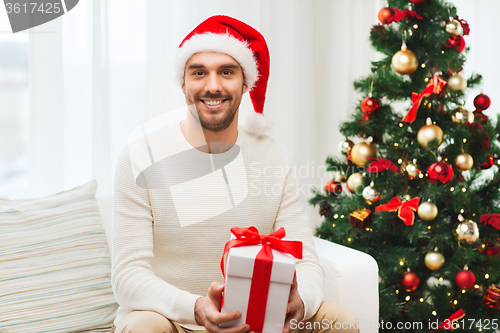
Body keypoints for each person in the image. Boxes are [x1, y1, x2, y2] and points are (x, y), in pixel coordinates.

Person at [110, 15, 359, 333]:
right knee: (144, 327)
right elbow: (128, 276)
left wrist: (299, 305)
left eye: (226, 72)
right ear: (183, 83)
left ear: (245, 83)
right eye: (199, 72)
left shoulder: (275, 158)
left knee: (340, 321)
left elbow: (305, 259)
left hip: (257, 319)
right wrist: (197, 308)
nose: (212, 85)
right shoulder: (140, 156)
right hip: (174, 320)